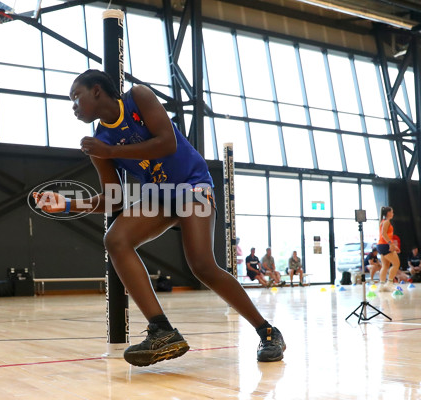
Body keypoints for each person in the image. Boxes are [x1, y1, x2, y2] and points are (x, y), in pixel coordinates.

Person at [33, 69, 285, 365]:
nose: (73, 106)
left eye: (76, 97)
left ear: (97, 90)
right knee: (115, 238)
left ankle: (268, 332)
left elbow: (168, 143)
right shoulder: (98, 143)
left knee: (202, 266)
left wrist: (110, 150)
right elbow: (114, 198)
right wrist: (67, 205)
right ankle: (162, 330)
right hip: (160, 196)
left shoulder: (138, 97)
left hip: (192, 185)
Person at [376, 206, 400, 292]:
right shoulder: (386, 222)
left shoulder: (383, 222)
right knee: (396, 264)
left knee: (385, 266)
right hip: (385, 245)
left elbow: (385, 235)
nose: (393, 214)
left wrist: (393, 245)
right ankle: (389, 283)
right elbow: (384, 234)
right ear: (388, 213)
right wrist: (391, 244)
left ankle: (382, 285)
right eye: (392, 212)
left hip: (381, 245)